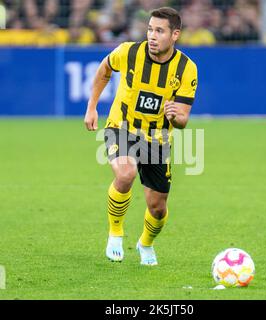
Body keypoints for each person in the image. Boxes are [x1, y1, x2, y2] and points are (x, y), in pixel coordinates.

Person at [84, 7, 198, 266]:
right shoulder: (128, 52)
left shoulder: (187, 68)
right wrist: (92, 107)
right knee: (125, 174)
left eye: (159, 31)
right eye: (149, 29)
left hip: (157, 140)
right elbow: (104, 70)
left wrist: (174, 116)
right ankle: (115, 232)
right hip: (121, 127)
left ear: (175, 35)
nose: (152, 36)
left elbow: (182, 119)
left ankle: (145, 243)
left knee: (158, 208)